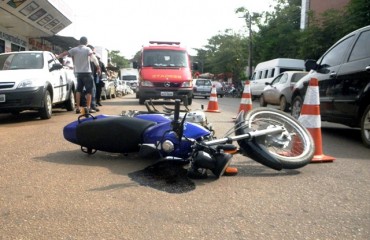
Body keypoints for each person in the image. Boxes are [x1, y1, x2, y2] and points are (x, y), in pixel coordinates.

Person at [57, 36, 100, 114]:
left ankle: (77, 108)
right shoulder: (87, 49)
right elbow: (93, 58)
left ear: (79, 42)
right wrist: (98, 66)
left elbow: (65, 53)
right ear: (86, 42)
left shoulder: (74, 49)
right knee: (89, 91)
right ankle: (88, 108)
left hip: (78, 73)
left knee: (78, 90)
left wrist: (57, 56)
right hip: (87, 73)